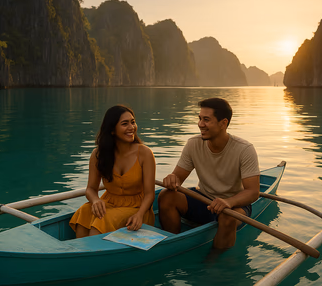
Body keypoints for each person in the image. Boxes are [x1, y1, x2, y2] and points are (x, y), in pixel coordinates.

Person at [158, 98, 260, 249]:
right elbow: (177, 178)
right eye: (199, 119)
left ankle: (215, 266)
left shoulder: (244, 149)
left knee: (228, 218)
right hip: (204, 199)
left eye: (206, 120)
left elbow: (253, 192)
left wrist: (229, 202)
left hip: (233, 205)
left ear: (223, 123)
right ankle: (172, 245)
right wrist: (172, 179)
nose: (200, 124)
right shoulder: (193, 144)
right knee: (166, 196)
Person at [70, 105, 156, 238]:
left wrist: (139, 215)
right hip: (109, 203)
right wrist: (95, 200)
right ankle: (80, 252)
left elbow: (150, 194)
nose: (131, 127)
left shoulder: (145, 153)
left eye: (133, 122)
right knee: (84, 211)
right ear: (112, 130)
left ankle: (92, 254)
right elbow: (91, 189)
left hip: (137, 208)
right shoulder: (98, 154)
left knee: (102, 219)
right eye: (124, 124)